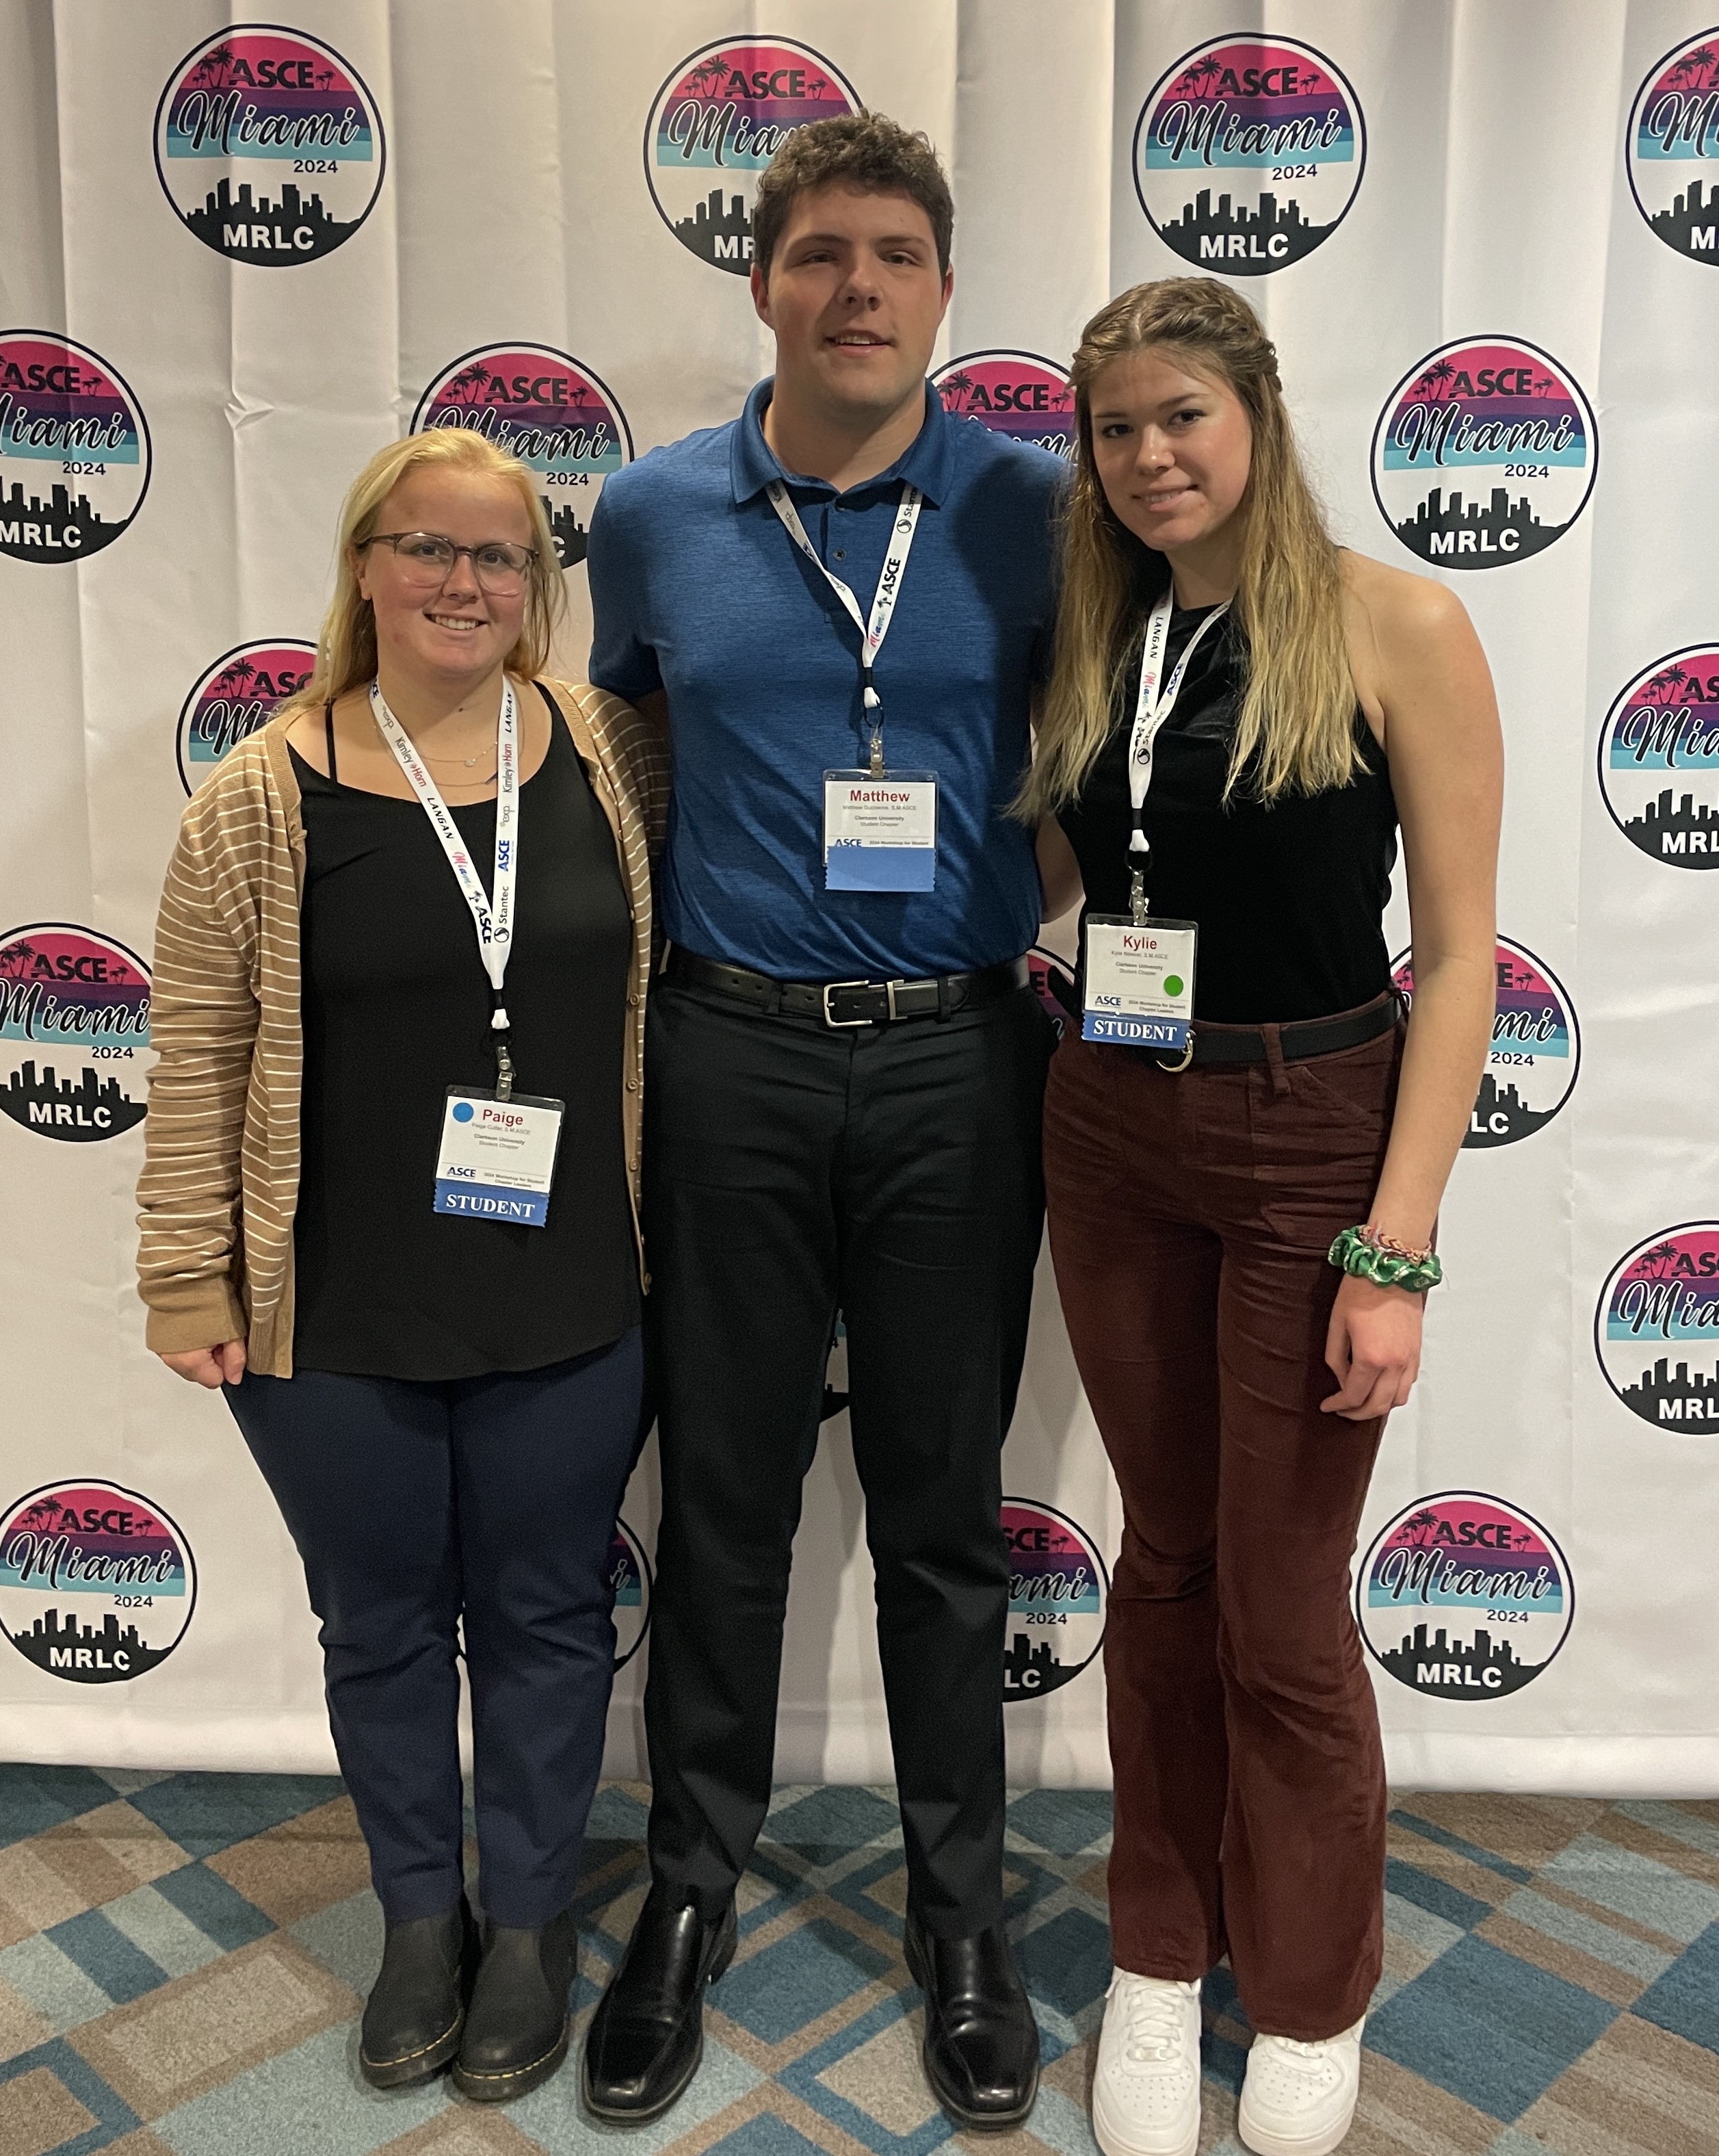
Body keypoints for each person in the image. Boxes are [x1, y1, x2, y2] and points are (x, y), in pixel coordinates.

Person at [579, 113, 1060, 2131]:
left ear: (944, 290)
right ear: (759, 280)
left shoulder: (1044, 508)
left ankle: (964, 1916)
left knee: (948, 1521)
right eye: (818, 255)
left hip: (962, 1058)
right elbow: (629, 761)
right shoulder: (654, 511)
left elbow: (1094, 767)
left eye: (895, 255)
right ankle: (689, 1889)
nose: (856, 288)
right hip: (734, 1063)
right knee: (729, 1509)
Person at [1021, 279, 1500, 2156]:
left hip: (1315, 1133)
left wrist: (1394, 1251)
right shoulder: (1104, 630)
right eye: (1116, 428)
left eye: (1181, 418)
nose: (1149, 457)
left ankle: (1306, 1995)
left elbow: (1458, 963)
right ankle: (1161, 1952)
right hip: (1109, 1121)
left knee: (1285, 1612)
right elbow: (1058, 859)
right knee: (1162, 1563)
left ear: (1258, 419)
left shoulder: (1398, 621)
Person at [135, 428, 667, 2103]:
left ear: (537, 588)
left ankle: (529, 1921)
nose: (462, 580)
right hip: (338, 1301)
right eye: (426, 547)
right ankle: (419, 1919)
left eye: (499, 555)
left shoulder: (608, 752)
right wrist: (184, 1274)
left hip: (574, 1282)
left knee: (544, 1615)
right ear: (364, 566)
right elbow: (200, 1046)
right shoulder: (258, 794)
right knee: (378, 1625)